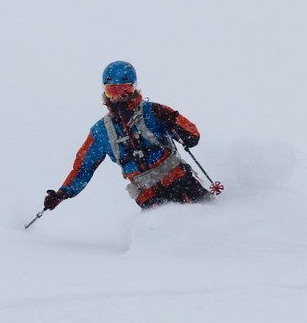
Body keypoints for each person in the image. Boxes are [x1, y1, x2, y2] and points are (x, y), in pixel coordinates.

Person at [43, 61, 212, 211]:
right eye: (112, 91)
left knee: (208, 222)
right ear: (105, 91)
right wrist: (62, 193)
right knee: (163, 233)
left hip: (183, 184)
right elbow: (83, 168)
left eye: (124, 89)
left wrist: (173, 120)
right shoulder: (101, 131)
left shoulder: (153, 111)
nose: (118, 97)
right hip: (150, 200)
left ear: (133, 88)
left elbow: (193, 137)